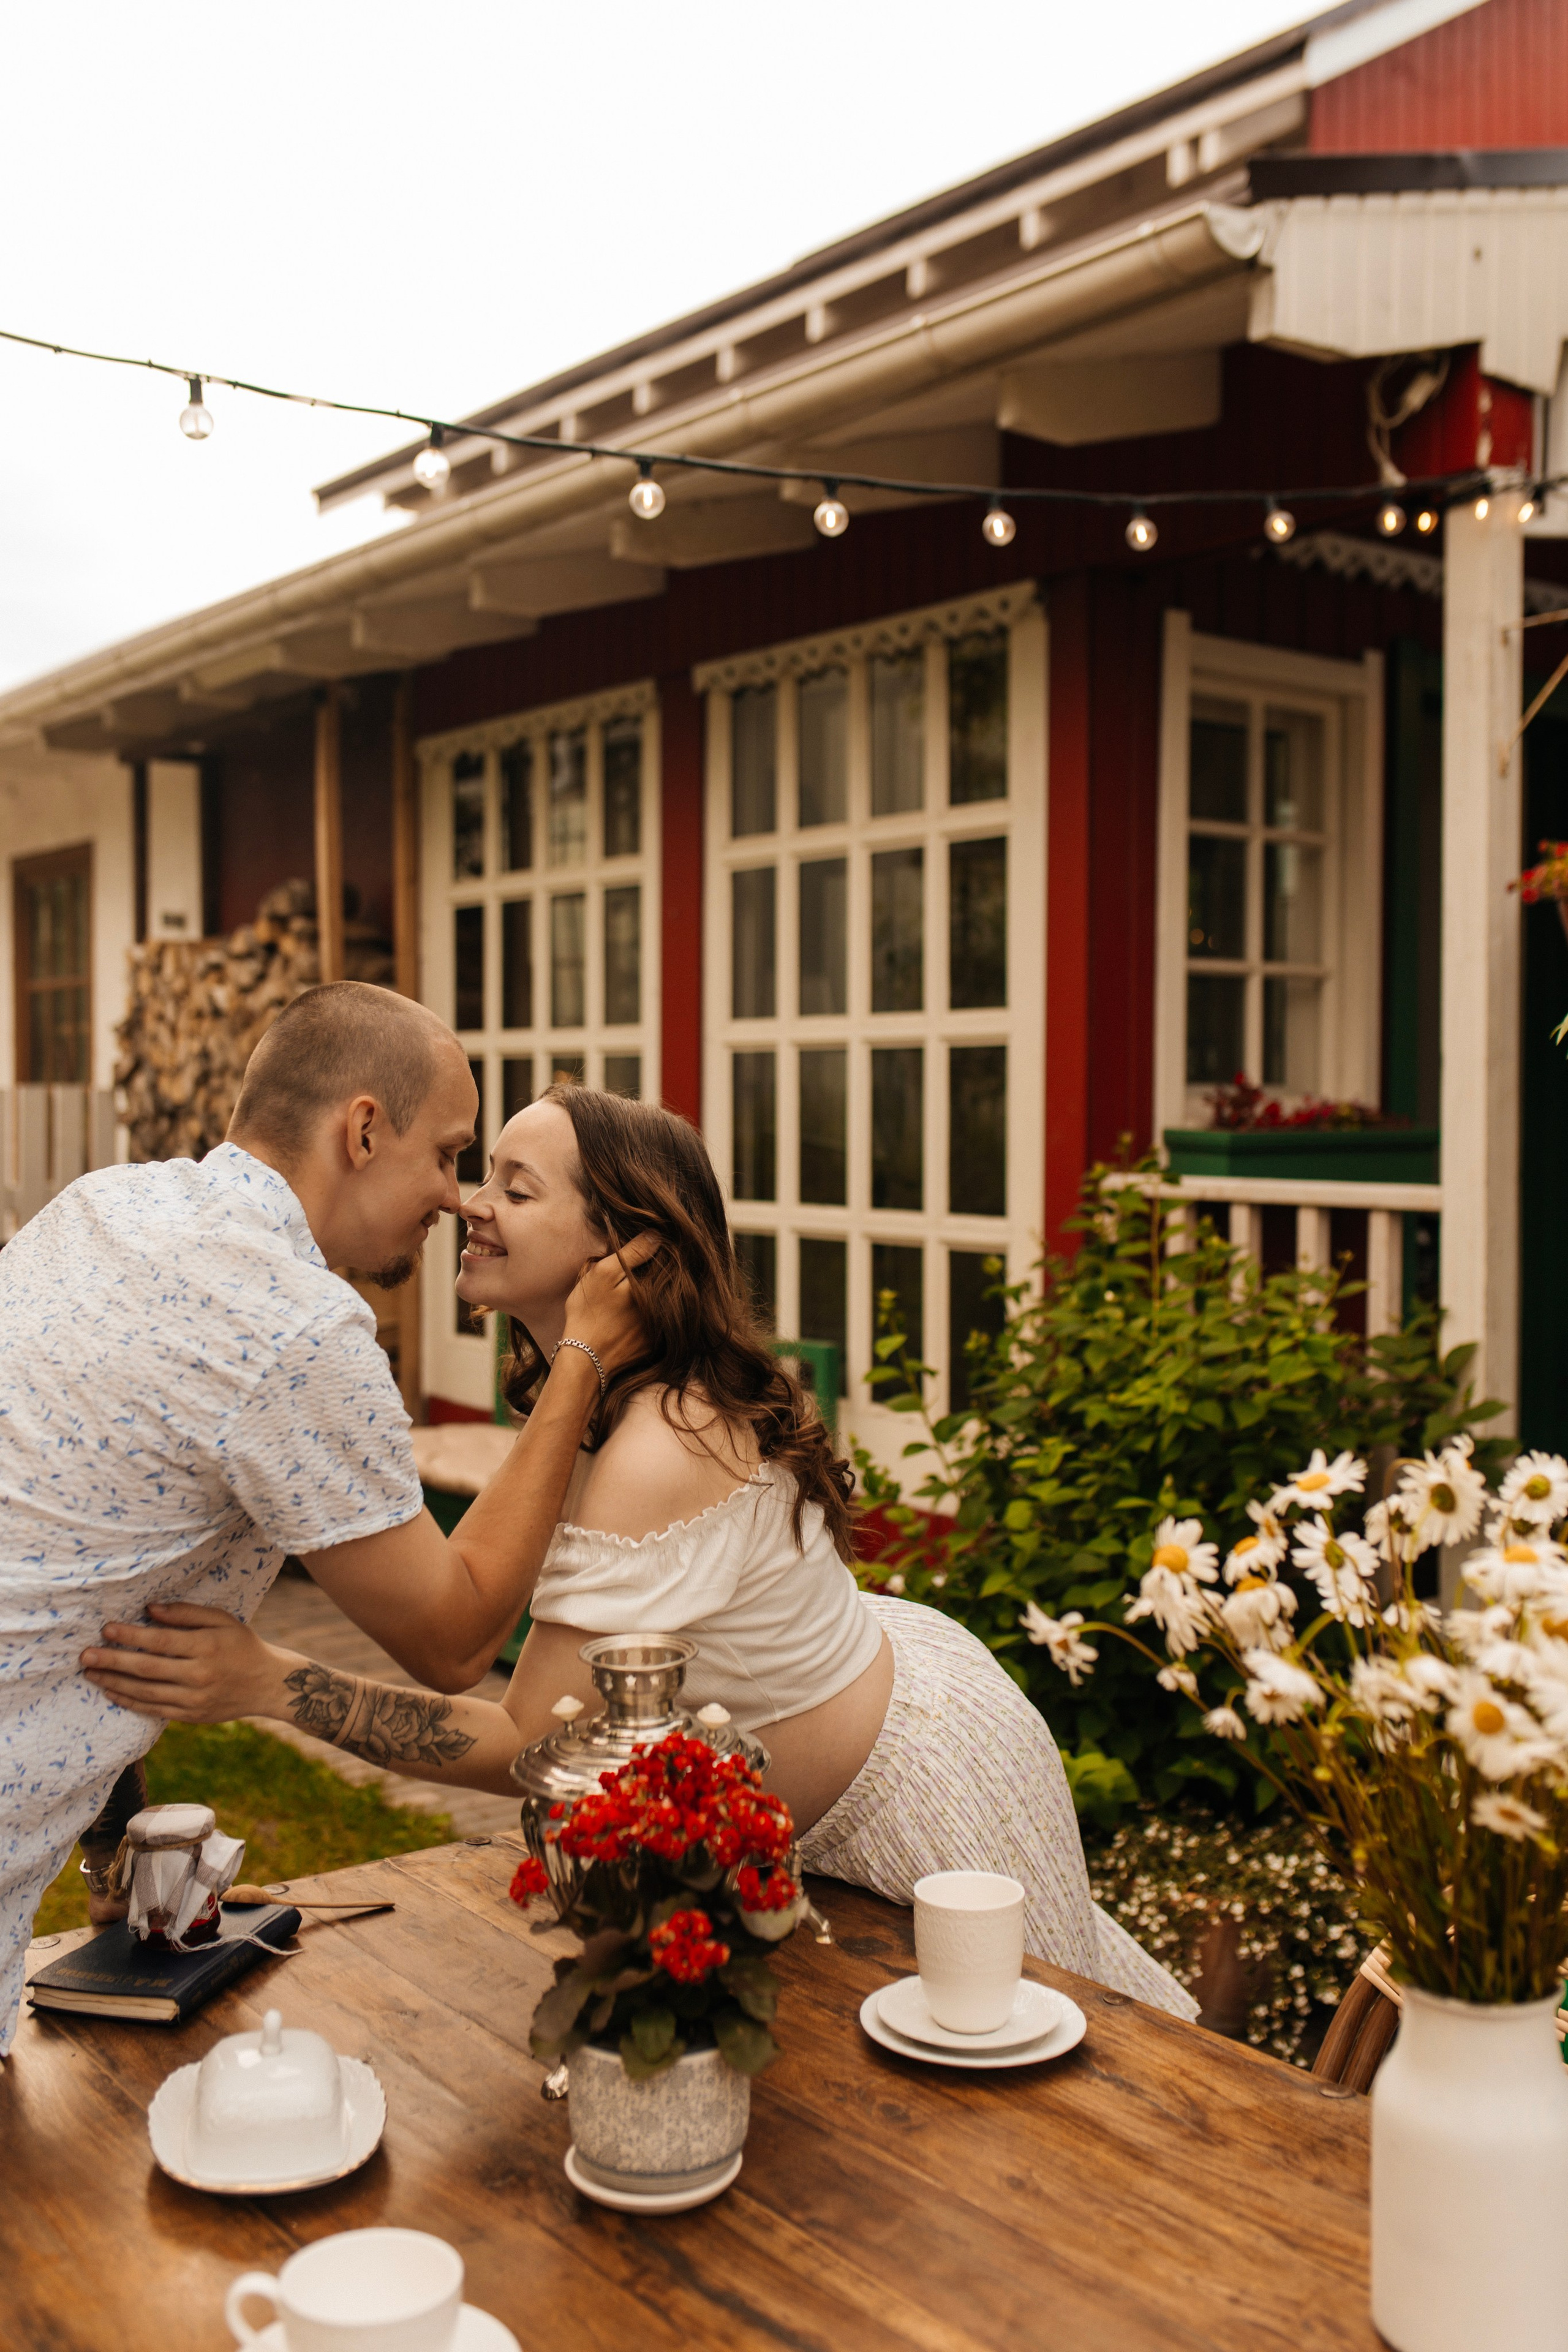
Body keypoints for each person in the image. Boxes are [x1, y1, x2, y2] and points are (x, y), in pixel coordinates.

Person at [84, 1085, 1195, 2017]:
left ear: (625, 1250)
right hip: (845, 1745)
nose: (472, 1203)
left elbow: (531, 1748)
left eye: (517, 1189)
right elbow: (466, 1606)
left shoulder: (661, 1444)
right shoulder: (596, 1398)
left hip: (920, 1789)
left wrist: (272, 1684)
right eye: (485, 1177)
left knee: (1081, 2077)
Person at [1, 987, 648, 2053]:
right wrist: (580, 1360)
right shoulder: (296, 1331)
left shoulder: (99, 1209)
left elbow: (82, 1546)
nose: (453, 1198)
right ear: (362, 1131)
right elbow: (455, 1642)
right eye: (448, 1154)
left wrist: (116, 1830)